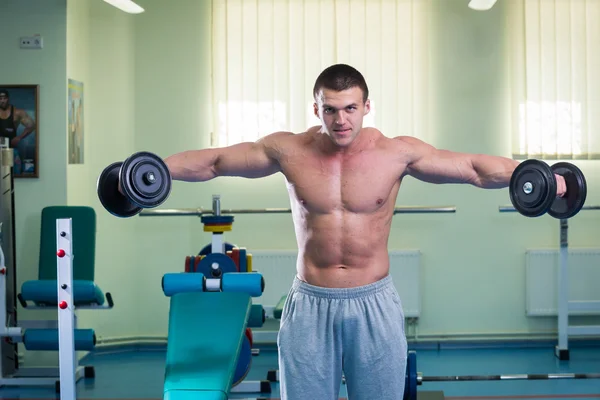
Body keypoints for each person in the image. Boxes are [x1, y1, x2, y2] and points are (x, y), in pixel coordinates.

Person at [162, 64, 567, 400]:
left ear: (367, 106)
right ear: (316, 108)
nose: (341, 120)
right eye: (331, 109)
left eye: (351, 108)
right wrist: (152, 172)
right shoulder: (289, 150)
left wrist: (538, 176)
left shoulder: (395, 153)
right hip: (310, 303)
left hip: (373, 303)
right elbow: (215, 162)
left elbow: (473, 169)